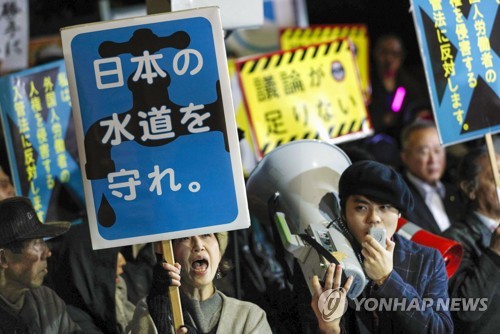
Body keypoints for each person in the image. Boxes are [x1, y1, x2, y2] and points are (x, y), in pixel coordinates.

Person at [310, 160, 453, 333]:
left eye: (384, 207)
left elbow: (441, 330)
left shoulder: (427, 260)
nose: (374, 218)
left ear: (399, 213)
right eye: (361, 208)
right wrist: (329, 328)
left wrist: (387, 279)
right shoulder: (324, 260)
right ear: (344, 213)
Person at [130, 233, 272, 333]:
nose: (198, 245)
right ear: (171, 255)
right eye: (184, 238)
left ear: (219, 252)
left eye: (206, 235)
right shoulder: (148, 309)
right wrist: (159, 313)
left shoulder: (249, 316)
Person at [0, 196, 82, 333]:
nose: (47, 253)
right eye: (36, 244)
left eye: (43, 241)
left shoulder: (47, 301)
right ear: (3, 259)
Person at [443, 147, 500, 334]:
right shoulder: (454, 240)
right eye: (494, 179)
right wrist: (494, 252)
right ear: (470, 189)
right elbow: (467, 308)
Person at [400, 120, 466, 234]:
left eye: (437, 150)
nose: (433, 160)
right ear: (405, 156)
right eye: (424, 152)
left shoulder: (456, 193)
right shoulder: (399, 199)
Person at [369, 34, 428, 138]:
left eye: (395, 54)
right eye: (384, 52)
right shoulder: (366, 84)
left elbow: (419, 107)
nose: (389, 59)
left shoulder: (410, 83)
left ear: (402, 57)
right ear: (374, 53)